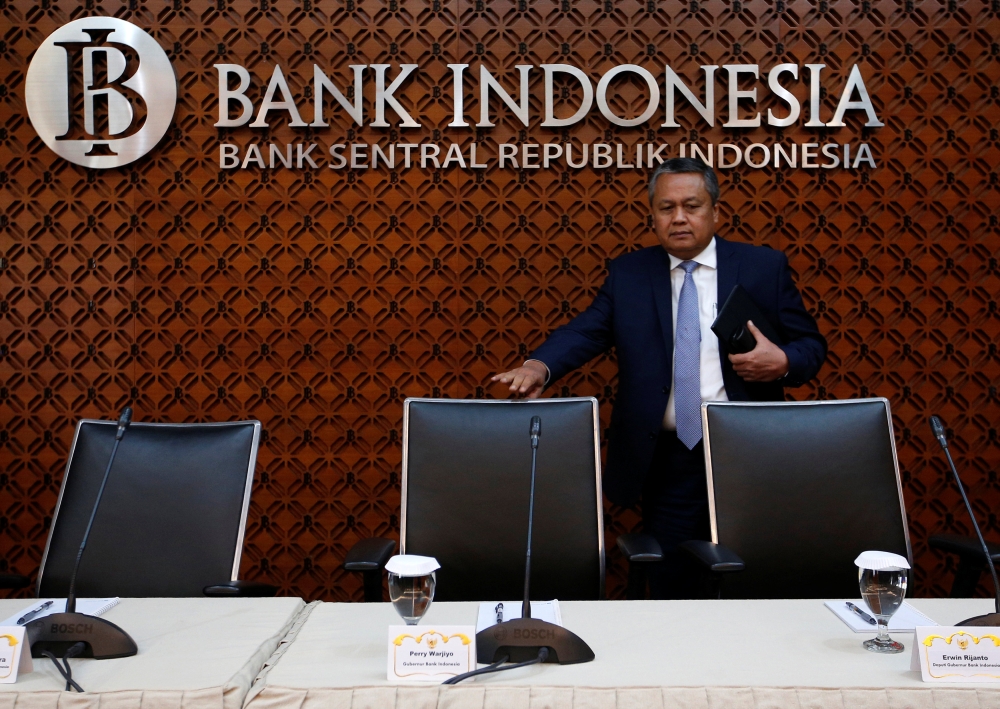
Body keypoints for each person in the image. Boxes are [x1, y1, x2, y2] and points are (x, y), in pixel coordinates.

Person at [490, 157, 827, 599]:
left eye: (692, 205)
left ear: (715, 212)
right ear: (653, 215)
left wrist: (781, 361)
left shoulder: (763, 267)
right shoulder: (630, 273)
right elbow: (587, 329)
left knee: (751, 579)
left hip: (746, 454)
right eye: (666, 208)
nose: (679, 217)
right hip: (666, 458)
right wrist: (539, 366)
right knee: (672, 581)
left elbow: (812, 346)